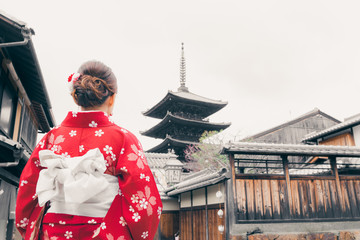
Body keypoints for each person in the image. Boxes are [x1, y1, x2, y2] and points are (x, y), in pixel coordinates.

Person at [15, 60, 162, 239]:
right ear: (112, 97)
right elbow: (143, 201)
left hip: (51, 230)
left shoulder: (51, 138)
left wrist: (26, 227)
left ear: (76, 95)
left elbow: (28, 187)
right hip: (104, 230)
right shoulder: (123, 139)